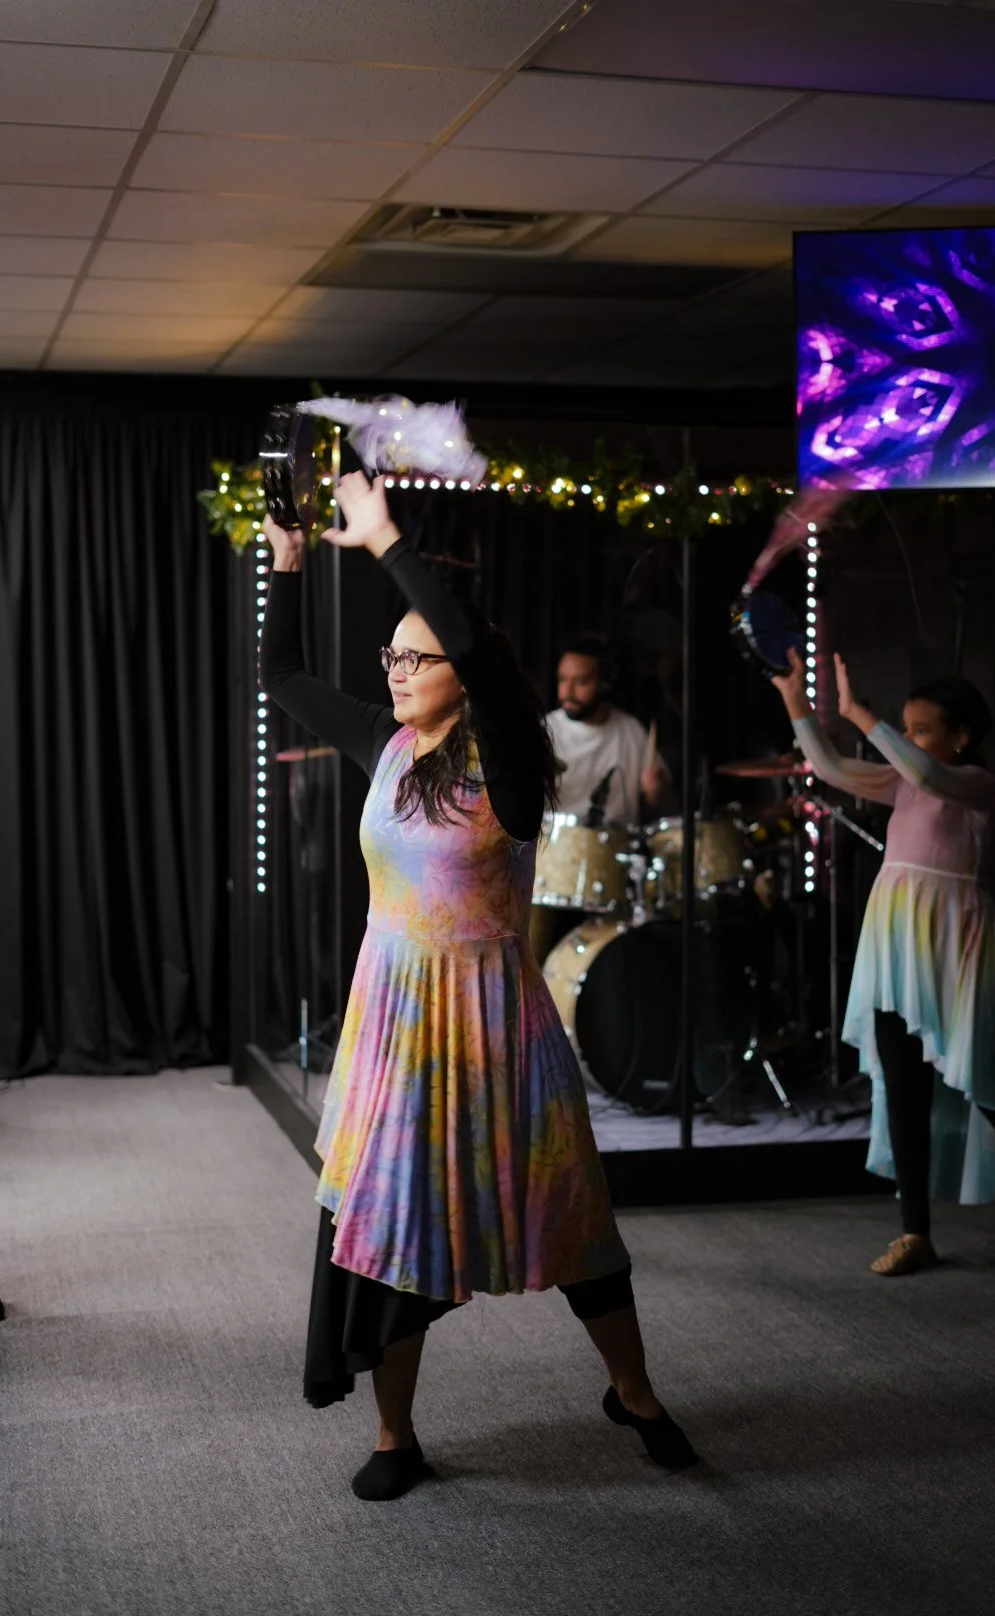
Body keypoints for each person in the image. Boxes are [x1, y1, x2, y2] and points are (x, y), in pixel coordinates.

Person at [260, 473, 696, 1501]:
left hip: (495, 1021)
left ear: (463, 668)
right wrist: (285, 559)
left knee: (569, 1214)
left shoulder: (503, 761)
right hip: (396, 1024)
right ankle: (394, 1431)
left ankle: (631, 1388)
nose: (398, 668)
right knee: (394, 1227)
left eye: (418, 655)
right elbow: (280, 675)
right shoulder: (386, 742)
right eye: (391, 654)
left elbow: (491, 668)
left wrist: (384, 538)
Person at [773, 649, 995, 1281]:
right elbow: (826, 765)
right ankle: (915, 1231)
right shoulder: (906, 775)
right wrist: (796, 699)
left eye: (922, 729)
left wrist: (860, 714)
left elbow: (932, 778)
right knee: (902, 1088)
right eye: (907, 729)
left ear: (962, 735)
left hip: (952, 942)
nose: (909, 741)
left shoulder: (976, 783)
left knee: (993, 1087)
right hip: (896, 941)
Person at [547, 635, 667, 826]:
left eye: (581, 682)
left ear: (604, 683)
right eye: (562, 680)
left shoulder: (631, 731)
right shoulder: (545, 731)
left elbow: (660, 806)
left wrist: (656, 795)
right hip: (555, 848)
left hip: (616, 849)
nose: (566, 692)